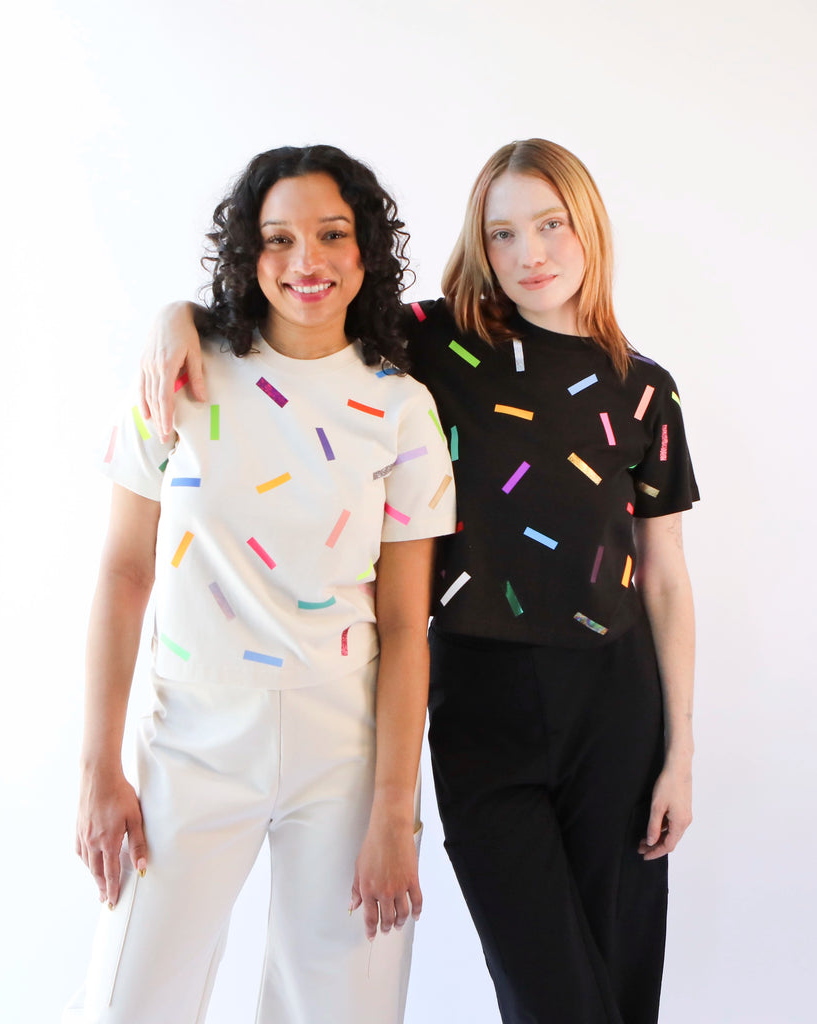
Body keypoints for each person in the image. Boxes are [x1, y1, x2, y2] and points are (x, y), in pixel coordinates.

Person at [140, 138, 699, 1024]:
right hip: (476, 696)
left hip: (615, 703)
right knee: (548, 991)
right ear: (480, 246)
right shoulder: (432, 343)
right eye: (504, 233)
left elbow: (664, 579)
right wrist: (176, 313)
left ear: (588, 228)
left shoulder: (646, 393)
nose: (531, 254)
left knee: (621, 983)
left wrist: (679, 751)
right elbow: (302, 301)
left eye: (550, 226)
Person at [66, 144, 456, 1024]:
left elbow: (405, 623)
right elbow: (124, 572)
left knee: (343, 1010)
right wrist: (97, 766)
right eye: (277, 239)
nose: (305, 261)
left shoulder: (401, 409)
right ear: (247, 254)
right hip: (191, 735)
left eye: (331, 235)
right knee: (127, 1003)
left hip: (343, 746)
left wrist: (395, 811)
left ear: (367, 253)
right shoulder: (180, 373)